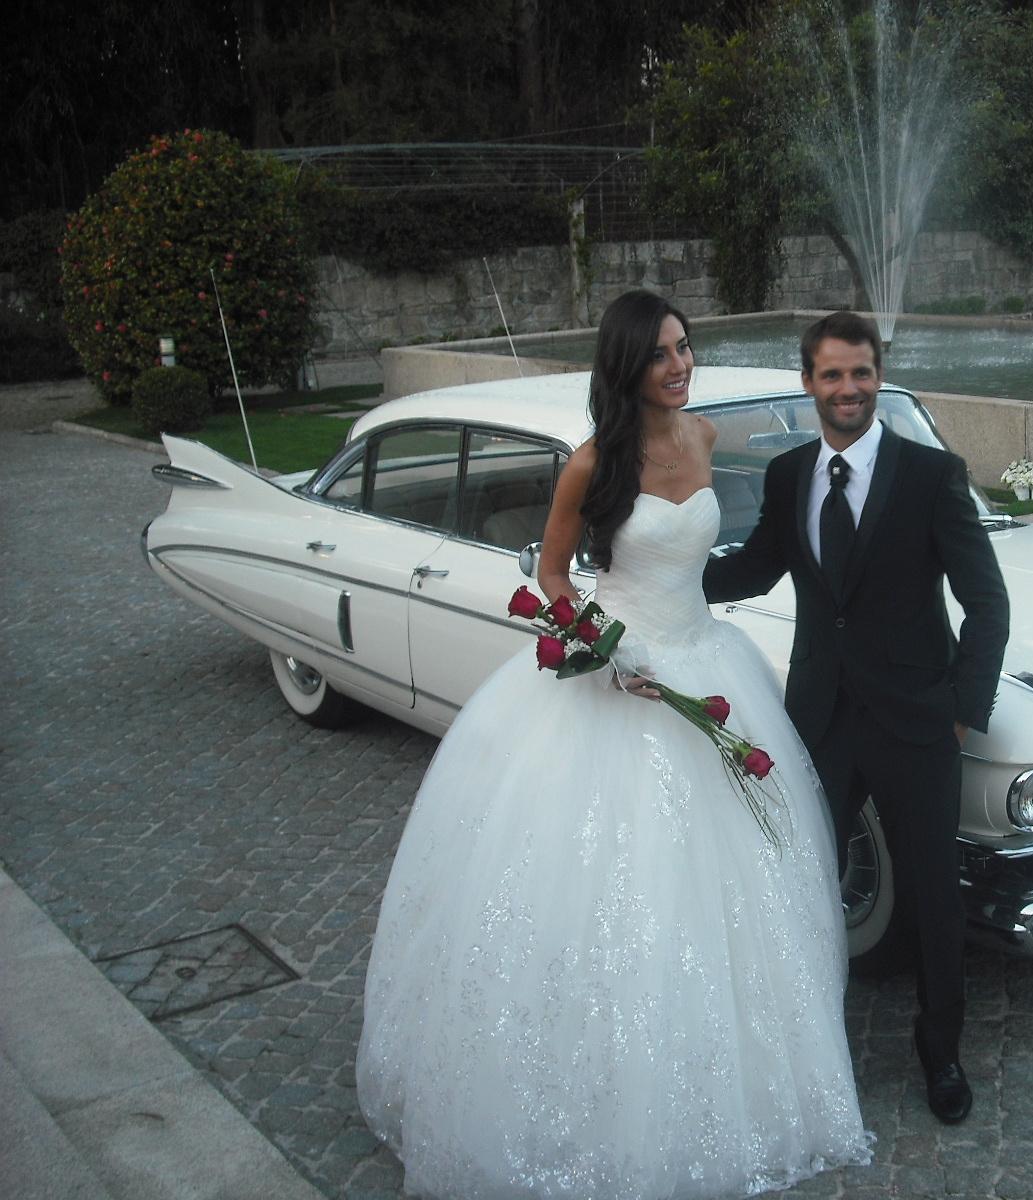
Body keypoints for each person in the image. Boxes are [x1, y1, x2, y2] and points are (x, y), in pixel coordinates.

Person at [356, 290, 872, 1199]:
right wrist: (601, 646)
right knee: (606, 884)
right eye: (662, 353)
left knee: (744, 883)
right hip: (620, 679)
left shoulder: (705, 438)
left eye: (686, 347)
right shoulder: (593, 462)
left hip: (708, 667)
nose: (681, 366)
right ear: (628, 365)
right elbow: (554, 574)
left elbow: (714, 563)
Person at [702, 311, 1010, 1125]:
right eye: (833, 374)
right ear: (808, 382)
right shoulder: (787, 475)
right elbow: (754, 570)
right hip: (819, 721)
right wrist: (659, 572)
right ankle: (805, 1044)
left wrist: (961, 712)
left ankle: (941, 1051)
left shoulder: (932, 474)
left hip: (917, 722)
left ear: (879, 376)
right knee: (804, 883)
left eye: (862, 373)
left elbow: (987, 603)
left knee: (934, 897)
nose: (849, 389)